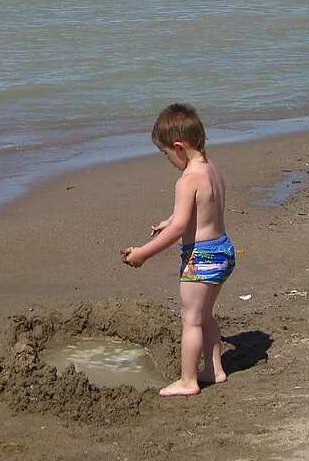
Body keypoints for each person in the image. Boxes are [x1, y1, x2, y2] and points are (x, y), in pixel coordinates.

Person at [122, 103, 234, 397]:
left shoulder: (186, 180)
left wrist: (143, 253)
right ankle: (215, 370)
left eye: (165, 153)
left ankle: (188, 380)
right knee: (205, 315)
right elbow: (200, 209)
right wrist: (169, 220)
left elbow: (180, 228)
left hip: (202, 258)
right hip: (223, 252)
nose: (168, 160)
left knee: (191, 320)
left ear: (179, 147)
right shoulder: (211, 169)